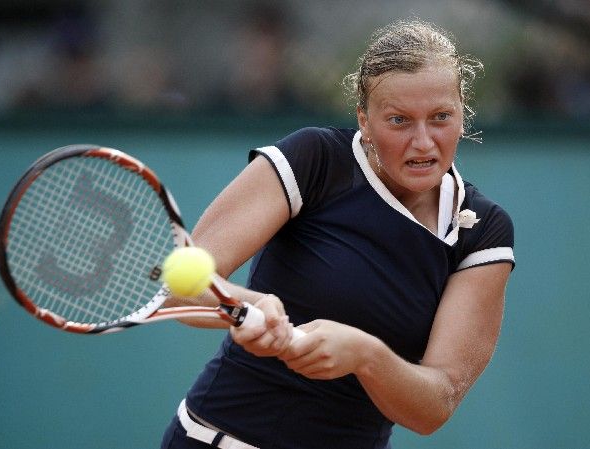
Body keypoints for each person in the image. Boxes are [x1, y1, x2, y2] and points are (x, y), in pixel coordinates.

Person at [160, 19, 515, 449]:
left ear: (462, 113)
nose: (423, 142)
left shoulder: (484, 229)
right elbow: (181, 288)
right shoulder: (314, 159)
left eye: (441, 117)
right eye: (399, 120)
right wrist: (255, 306)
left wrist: (367, 356)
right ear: (364, 118)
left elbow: (434, 406)